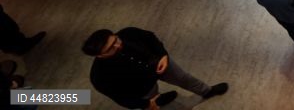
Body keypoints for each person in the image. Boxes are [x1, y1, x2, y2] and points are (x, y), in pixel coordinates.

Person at [82, 27, 228, 109]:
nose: (118, 45)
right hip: (142, 89)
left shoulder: (128, 33)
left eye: (116, 40)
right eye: (111, 48)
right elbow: (121, 97)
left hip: (158, 63)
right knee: (172, 108)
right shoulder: (99, 77)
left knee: (184, 78)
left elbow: (151, 38)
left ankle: (207, 91)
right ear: (99, 56)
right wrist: (145, 104)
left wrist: (163, 55)